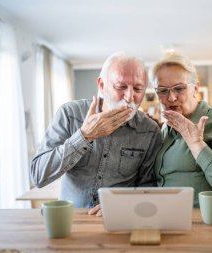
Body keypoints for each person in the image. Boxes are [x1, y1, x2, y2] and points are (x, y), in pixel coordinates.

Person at [31, 52, 163, 214]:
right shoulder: (69, 114)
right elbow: (38, 176)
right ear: (101, 85)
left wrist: (124, 203)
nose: (130, 97)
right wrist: (84, 136)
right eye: (120, 87)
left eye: (138, 88)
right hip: (70, 219)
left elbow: (148, 187)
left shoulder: (150, 131)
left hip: (120, 219)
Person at [151, 54, 212, 207]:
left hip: (211, 223)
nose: (171, 98)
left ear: (195, 89)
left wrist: (197, 144)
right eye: (163, 90)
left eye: (179, 88)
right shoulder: (165, 129)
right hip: (171, 220)